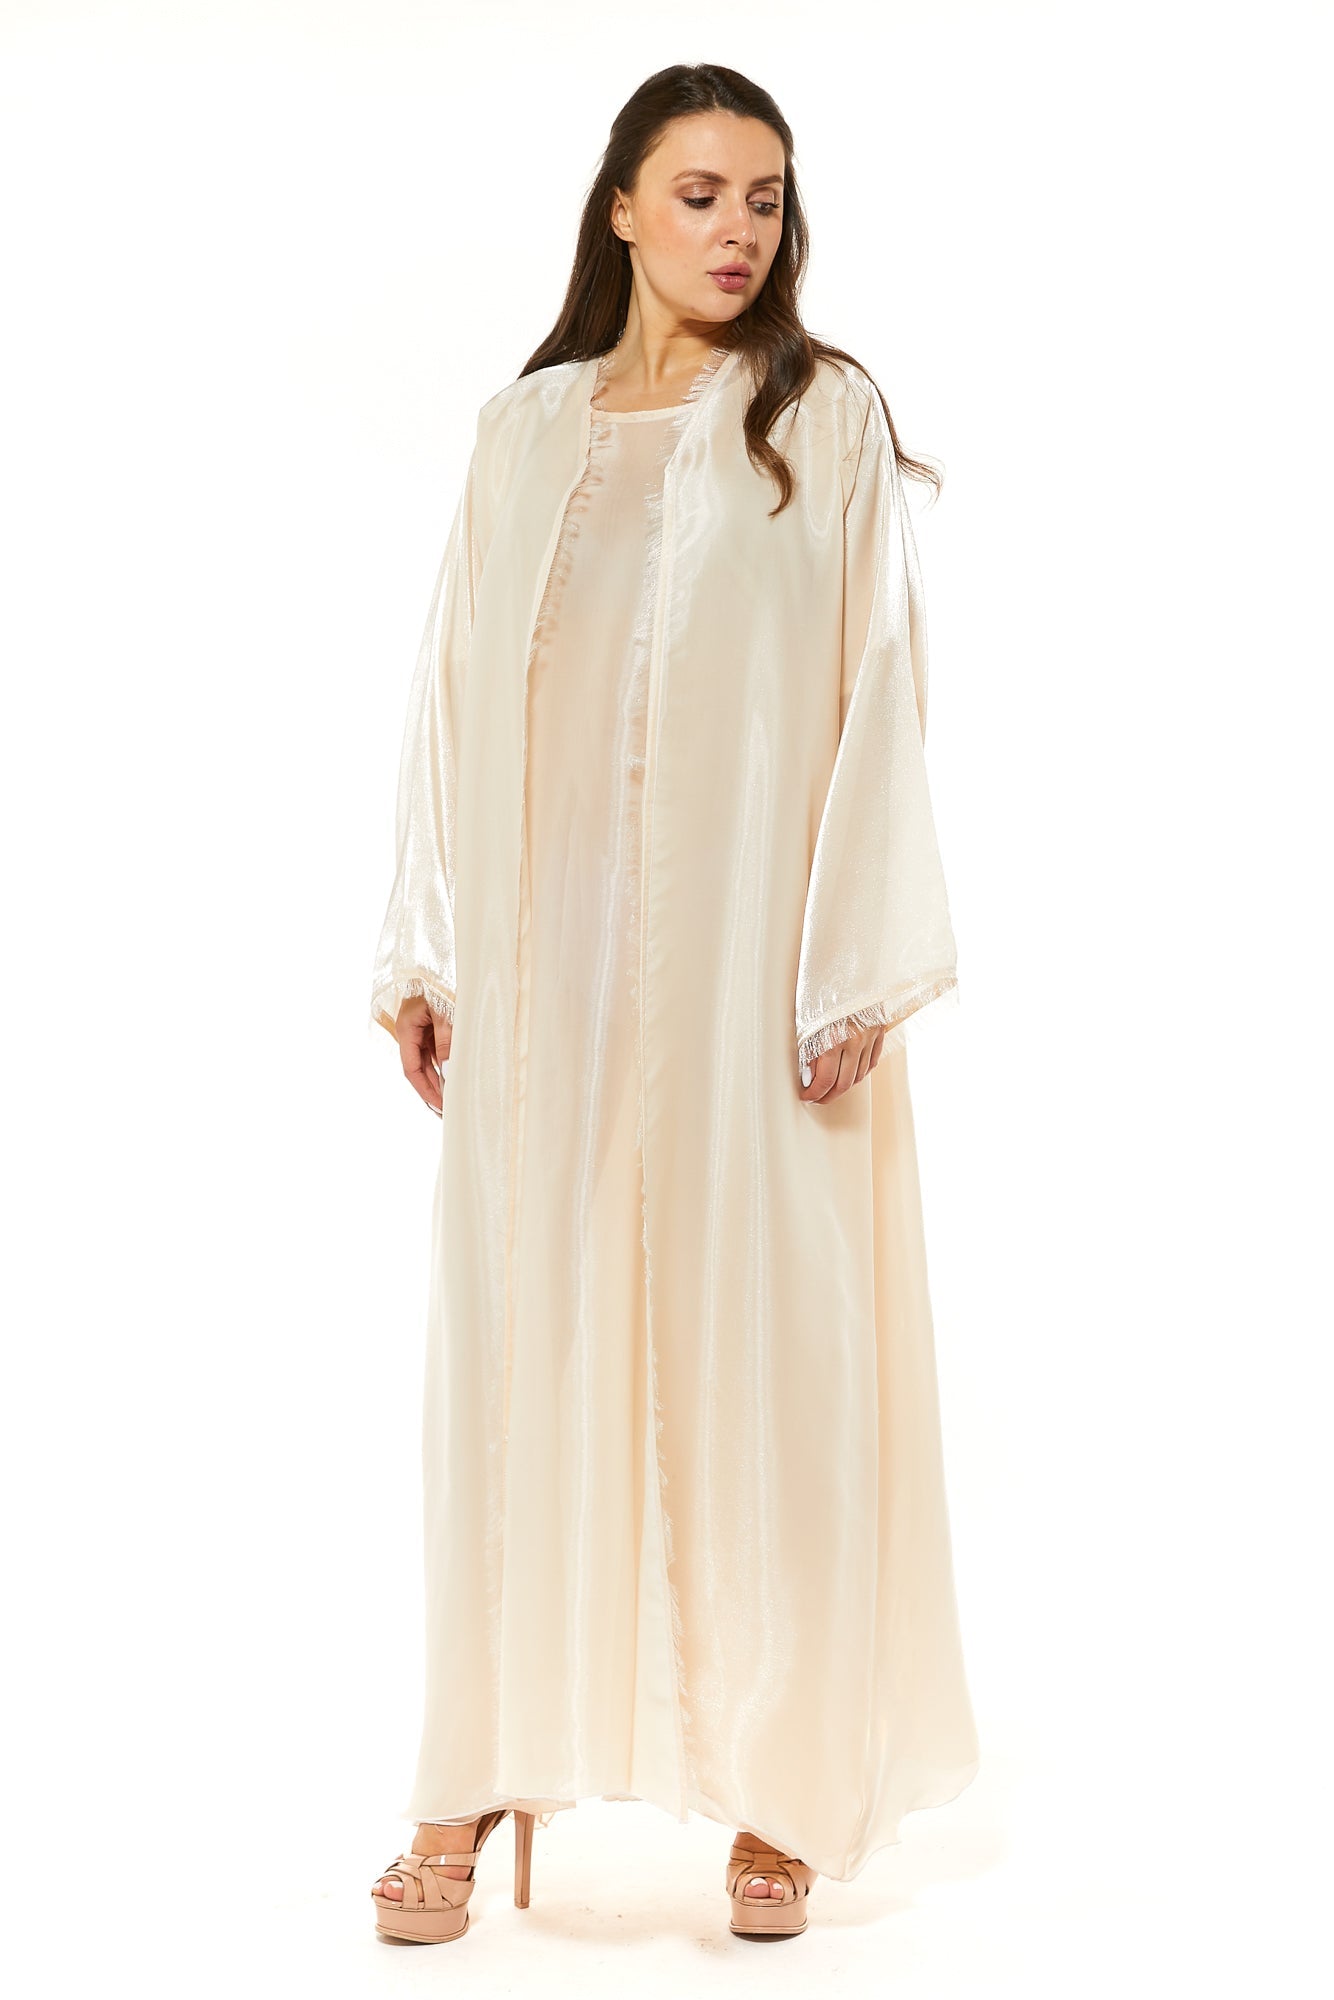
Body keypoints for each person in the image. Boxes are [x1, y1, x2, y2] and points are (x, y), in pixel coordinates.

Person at [367, 62, 979, 1946]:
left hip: (745, 984)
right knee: (520, 1351)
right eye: (700, 193)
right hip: (545, 988)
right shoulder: (521, 431)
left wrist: (853, 962)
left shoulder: (820, 418)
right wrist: (429, 945)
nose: (737, 232)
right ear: (620, 205)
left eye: (765, 199)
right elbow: (450, 688)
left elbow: (879, 684)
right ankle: (472, 1767)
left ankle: (782, 1784)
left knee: (764, 1350)